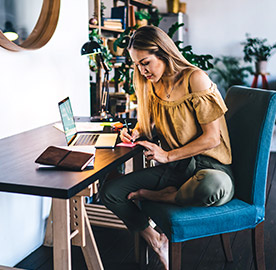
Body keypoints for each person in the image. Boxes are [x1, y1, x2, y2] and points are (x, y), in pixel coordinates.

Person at [100, 25, 234, 269]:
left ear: (163, 53)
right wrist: (137, 132)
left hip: (209, 167)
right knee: (111, 192)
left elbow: (212, 138)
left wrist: (167, 154)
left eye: (146, 62)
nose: (142, 70)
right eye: (137, 64)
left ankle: (166, 195)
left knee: (212, 187)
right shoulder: (151, 83)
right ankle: (155, 240)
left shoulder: (195, 78)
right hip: (175, 168)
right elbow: (147, 123)